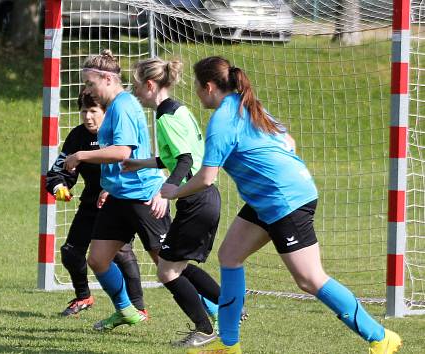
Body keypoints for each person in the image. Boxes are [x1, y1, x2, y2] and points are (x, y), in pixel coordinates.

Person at [161, 56, 402, 354]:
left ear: (209, 86)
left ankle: (380, 337)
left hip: (283, 200)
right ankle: (228, 345)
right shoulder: (247, 104)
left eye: (197, 87)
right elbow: (288, 141)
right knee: (230, 255)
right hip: (271, 197)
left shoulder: (223, 119)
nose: (197, 94)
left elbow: (207, 179)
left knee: (309, 279)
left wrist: (174, 192)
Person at [63, 50, 171, 331]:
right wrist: (108, 187)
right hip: (118, 196)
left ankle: (216, 309)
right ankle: (126, 311)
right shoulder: (116, 107)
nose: (87, 90)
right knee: (98, 260)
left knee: (168, 266)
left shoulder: (123, 106)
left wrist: (80, 156)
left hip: (141, 196)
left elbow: (122, 152)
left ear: (107, 79)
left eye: (89, 83)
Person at [121, 57, 224, 348]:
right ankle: (229, 305)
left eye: (137, 87)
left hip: (195, 199)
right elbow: (179, 156)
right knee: (174, 264)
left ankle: (205, 328)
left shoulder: (166, 116)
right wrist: (141, 163)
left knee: (167, 271)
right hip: (204, 198)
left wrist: (165, 190)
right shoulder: (179, 110)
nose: (136, 93)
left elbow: (185, 160)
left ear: (150, 85)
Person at [45, 90, 148, 318]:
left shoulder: (116, 136)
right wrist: (59, 187)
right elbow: (59, 171)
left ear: (106, 112)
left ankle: (138, 307)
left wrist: (108, 190)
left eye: (94, 111)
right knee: (71, 252)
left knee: (121, 253)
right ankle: (83, 297)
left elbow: (129, 165)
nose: (88, 117)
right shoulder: (77, 137)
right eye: (84, 111)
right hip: (91, 204)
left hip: (120, 202)